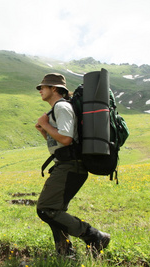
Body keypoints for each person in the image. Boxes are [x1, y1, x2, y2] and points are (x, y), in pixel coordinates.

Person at [35, 73, 110, 257]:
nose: (40, 90)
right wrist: (45, 131)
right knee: (55, 210)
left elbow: (67, 139)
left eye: (43, 87)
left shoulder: (61, 107)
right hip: (66, 165)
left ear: (54, 88)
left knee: (46, 209)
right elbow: (59, 140)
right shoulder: (57, 109)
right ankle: (65, 253)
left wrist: (45, 124)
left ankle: (94, 236)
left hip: (70, 166)